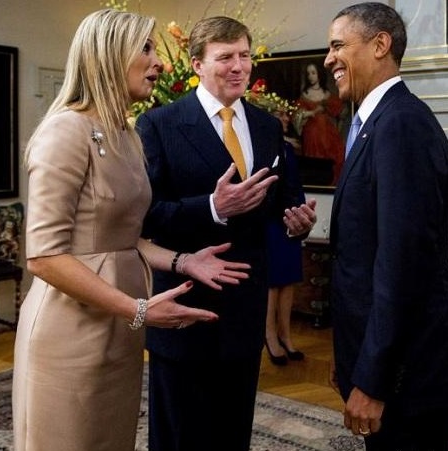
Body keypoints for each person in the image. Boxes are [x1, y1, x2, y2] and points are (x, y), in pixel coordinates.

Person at [12, 9, 252, 451]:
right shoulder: (66, 131)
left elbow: (122, 237)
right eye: (146, 48)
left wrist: (184, 261)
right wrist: (138, 309)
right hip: (71, 330)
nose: (158, 61)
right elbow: (43, 256)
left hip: (120, 325)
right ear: (108, 55)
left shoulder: (125, 134)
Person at [136, 15, 317, 451]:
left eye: (244, 56)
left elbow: (285, 199)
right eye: (225, 57)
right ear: (197, 64)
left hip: (245, 307)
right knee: (179, 437)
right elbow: (146, 218)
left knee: (233, 434)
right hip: (184, 304)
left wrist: (297, 222)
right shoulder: (158, 125)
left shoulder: (267, 126)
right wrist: (214, 207)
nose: (238, 66)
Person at [324, 3, 448, 449]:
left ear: (380, 45)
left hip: (411, 371)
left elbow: (402, 265)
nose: (329, 58)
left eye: (338, 45)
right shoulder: (373, 123)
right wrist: (350, 353)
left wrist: (372, 377)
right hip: (391, 360)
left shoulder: (402, 125)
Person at [245, 84, 306, 365]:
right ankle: (269, 337)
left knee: (289, 280)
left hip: (290, 222)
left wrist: (301, 217)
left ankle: (286, 335)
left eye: (285, 115)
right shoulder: (261, 145)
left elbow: (294, 185)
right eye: (280, 114)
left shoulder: (288, 148)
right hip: (269, 223)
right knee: (272, 283)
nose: (285, 118)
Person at [294, 61, 346, 184]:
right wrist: (311, 112)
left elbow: (341, 112)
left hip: (328, 135)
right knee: (315, 163)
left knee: (335, 159)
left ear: (319, 74)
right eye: (308, 74)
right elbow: (297, 115)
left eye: (313, 73)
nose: (310, 76)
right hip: (311, 135)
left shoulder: (327, 94)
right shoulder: (305, 95)